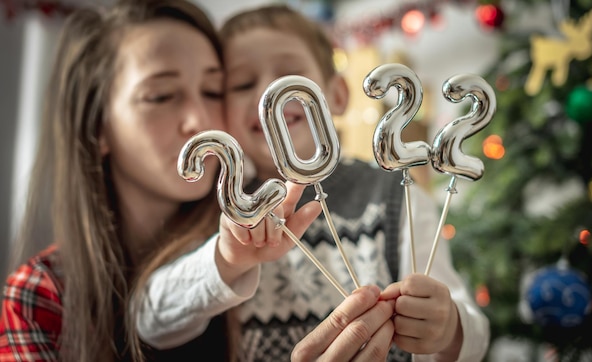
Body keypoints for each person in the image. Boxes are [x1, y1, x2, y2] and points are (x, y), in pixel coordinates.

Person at [133, 4, 490, 361]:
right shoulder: (222, 206)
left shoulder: (396, 195)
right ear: (223, 111)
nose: (269, 94)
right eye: (242, 84)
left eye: (290, 75)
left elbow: (474, 335)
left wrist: (448, 329)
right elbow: (148, 319)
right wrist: (226, 260)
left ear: (336, 95)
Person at [0, 1, 320, 361]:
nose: (199, 120)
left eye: (213, 91)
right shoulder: (41, 296)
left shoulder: (262, 249)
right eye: (161, 96)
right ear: (98, 127)